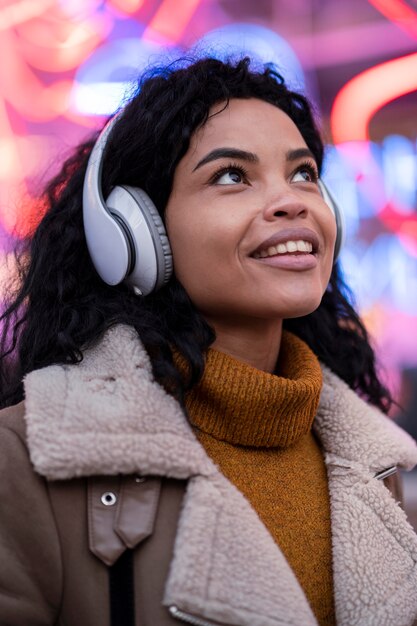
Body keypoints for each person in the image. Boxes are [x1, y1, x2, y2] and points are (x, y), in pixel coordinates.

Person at [0, 56, 416, 626]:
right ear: (133, 233)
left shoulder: (378, 467)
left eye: (303, 174)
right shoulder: (24, 459)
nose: (292, 200)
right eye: (231, 176)